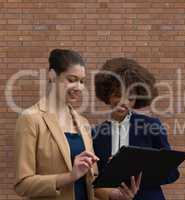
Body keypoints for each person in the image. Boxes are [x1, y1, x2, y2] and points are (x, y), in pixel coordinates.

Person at [14, 49, 141, 200]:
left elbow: (92, 180)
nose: (79, 87)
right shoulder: (31, 119)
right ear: (52, 75)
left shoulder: (82, 122)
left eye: (81, 81)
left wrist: (115, 195)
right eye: (72, 79)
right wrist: (70, 176)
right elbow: (23, 185)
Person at [92, 57, 180, 200]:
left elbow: (173, 173)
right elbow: (94, 182)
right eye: (117, 95)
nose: (124, 103)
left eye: (130, 97)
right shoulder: (95, 134)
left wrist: (134, 170)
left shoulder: (152, 126)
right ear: (107, 96)